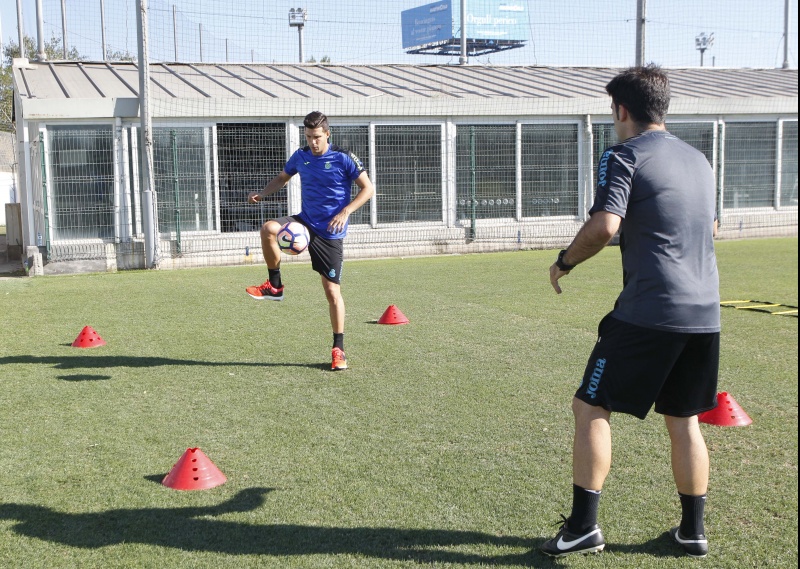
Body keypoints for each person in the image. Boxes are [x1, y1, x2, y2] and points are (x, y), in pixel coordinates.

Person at [541, 65, 720, 559]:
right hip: (705, 313)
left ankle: (583, 528)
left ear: (621, 110)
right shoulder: (699, 159)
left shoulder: (623, 154)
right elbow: (712, 228)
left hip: (650, 310)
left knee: (590, 406)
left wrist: (564, 262)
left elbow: (605, 226)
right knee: (684, 418)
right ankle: (692, 532)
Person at [245, 111, 374, 371]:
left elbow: (368, 189)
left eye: (317, 137)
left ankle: (339, 349)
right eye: (308, 137)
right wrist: (262, 193)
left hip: (330, 232)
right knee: (269, 229)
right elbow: (282, 178)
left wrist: (345, 212)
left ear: (327, 134)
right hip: (305, 223)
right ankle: (275, 286)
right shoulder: (301, 156)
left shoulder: (343, 157)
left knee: (332, 292)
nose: (313, 142)